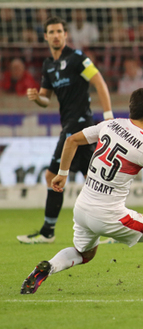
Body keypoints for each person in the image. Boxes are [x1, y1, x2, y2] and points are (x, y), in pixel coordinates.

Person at [20, 88, 143, 294]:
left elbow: (71, 140)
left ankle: (46, 268)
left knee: (84, 254)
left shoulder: (111, 124)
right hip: (109, 215)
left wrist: (62, 173)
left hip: (82, 208)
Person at [16, 16, 113, 244]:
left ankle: (48, 232)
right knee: (91, 177)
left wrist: (108, 118)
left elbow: (99, 82)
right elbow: (45, 100)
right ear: (46, 36)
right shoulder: (48, 65)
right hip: (69, 123)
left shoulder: (77, 58)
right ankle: (114, 227)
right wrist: (36, 98)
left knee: (53, 175)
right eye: (52, 32)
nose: (56, 35)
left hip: (79, 124)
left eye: (60, 31)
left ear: (65, 34)